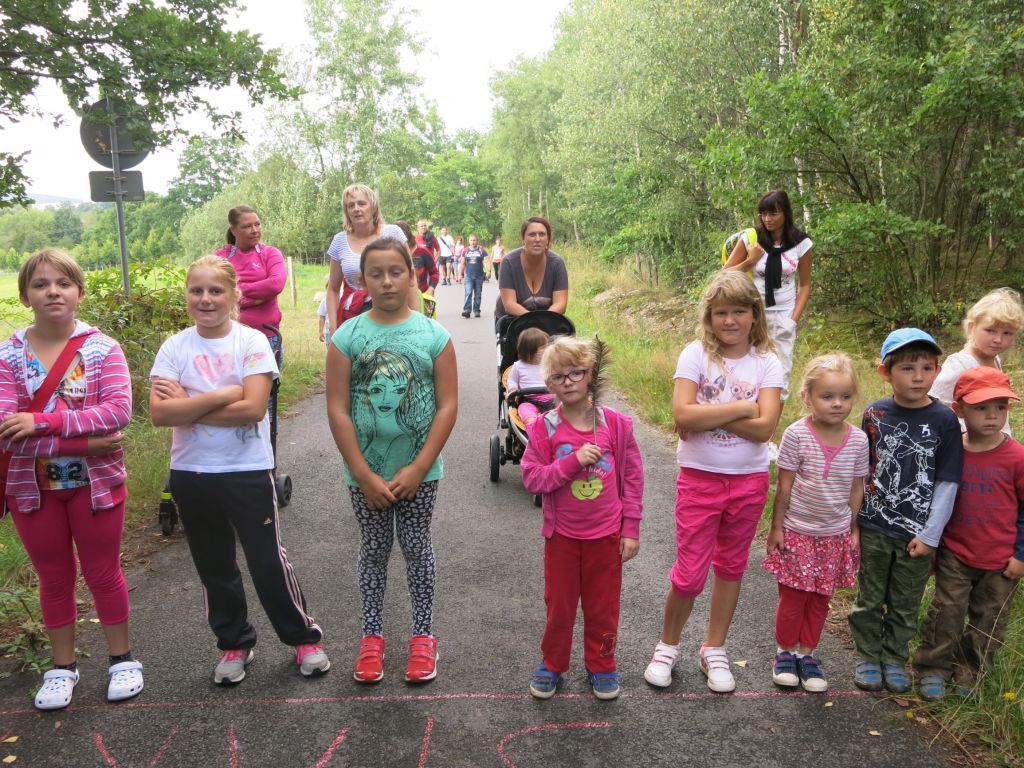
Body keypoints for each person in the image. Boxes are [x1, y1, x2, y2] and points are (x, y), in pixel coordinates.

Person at [150, 255, 329, 685]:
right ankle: (234, 642)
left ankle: (303, 637)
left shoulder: (251, 342)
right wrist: (223, 394)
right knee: (214, 566)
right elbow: (160, 414)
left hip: (247, 469)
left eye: (215, 291)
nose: (206, 299)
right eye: (197, 290)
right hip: (191, 472)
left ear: (234, 295)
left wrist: (189, 405)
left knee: (267, 562)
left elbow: (252, 409)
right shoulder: (174, 347)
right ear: (187, 295)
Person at [0, 248, 141, 710]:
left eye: (63, 283)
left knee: (103, 572)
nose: (53, 292)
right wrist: (83, 444)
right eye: (40, 284)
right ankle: (62, 668)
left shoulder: (103, 349)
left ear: (79, 292)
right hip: (32, 490)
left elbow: (117, 412)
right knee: (54, 577)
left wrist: (42, 423)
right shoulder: (7, 355)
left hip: (97, 486)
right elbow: (6, 430)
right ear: (25, 296)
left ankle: (122, 659)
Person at [325, 237, 458, 685]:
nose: (386, 281)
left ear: (412, 276)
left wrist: (419, 467)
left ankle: (423, 636)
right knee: (374, 550)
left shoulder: (434, 337)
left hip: (421, 473)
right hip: (364, 476)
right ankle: (371, 637)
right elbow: (338, 409)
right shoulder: (346, 338)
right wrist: (362, 473)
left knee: (417, 548)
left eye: (395, 272)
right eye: (376, 274)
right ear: (362, 280)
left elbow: (447, 406)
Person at [643, 271, 782, 693]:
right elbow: (682, 414)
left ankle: (714, 648)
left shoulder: (767, 362)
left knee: (731, 567)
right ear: (709, 317)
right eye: (721, 312)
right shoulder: (695, 355)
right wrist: (743, 407)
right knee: (689, 574)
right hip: (699, 479)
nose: (730, 320)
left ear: (754, 315)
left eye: (739, 311)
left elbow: (765, 429)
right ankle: (667, 646)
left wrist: (709, 414)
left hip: (748, 481)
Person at [521, 336, 643, 700]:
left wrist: (631, 528)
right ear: (549, 384)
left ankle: (602, 665)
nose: (569, 381)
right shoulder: (543, 428)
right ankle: (552, 663)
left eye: (576, 372)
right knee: (559, 608)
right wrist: (572, 462)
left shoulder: (615, 425)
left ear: (590, 374)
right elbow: (532, 479)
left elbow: (633, 478)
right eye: (559, 376)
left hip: (606, 536)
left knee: (603, 608)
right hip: (562, 537)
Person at [847, 329, 964, 693]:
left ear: (937, 371)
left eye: (927, 368)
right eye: (907, 368)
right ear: (886, 372)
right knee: (869, 599)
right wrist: (852, 523)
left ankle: (895, 658)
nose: (918, 377)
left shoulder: (945, 420)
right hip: (874, 525)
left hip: (917, 534)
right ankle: (868, 655)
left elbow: (947, 483)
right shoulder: (874, 414)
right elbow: (861, 472)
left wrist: (931, 535)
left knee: (905, 603)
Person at [913, 367, 1024, 701]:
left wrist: (1021, 554)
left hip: (1001, 561)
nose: (992, 416)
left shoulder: (1017, 457)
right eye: (981, 407)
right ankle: (933, 667)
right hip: (955, 553)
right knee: (947, 611)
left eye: (1000, 407)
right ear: (959, 409)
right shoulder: (952, 451)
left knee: (988, 620)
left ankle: (970, 671)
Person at [762, 353, 869, 693]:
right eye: (827, 396)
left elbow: (857, 488)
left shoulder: (859, 440)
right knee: (794, 597)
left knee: (820, 598)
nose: (837, 403)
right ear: (807, 396)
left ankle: (807, 654)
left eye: (845, 396)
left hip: (835, 535)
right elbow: (785, 486)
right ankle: (785, 652)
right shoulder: (796, 435)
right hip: (798, 532)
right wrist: (777, 527)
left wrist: (853, 529)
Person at [724, 190, 813, 399]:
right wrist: (750, 261)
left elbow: (805, 285)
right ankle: (750, 415)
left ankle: (770, 420)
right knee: (749, 372)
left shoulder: (801, 242)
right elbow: (724, 275)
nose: (767, 219)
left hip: (784, 316)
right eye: (763, 214)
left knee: (780, 377)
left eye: (773, 213)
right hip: (753, 315)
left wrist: (793, 320)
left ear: (786, 213)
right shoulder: (751, 239)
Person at [929, 287, 1023, 433]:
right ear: (971, 327)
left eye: (1007, 333)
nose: (998, 339)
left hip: (996, 439)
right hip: (971, 442)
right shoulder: (960, 364)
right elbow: (934, 403)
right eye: (990, 330)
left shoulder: (995, 360)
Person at [325, 184, 406, 337]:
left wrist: (415, 321)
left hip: (392, 314)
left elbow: (410, 281)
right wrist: (334, 327)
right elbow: (333, 289)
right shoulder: (339, 241)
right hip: (353, 317)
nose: (356, 209)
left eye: (362, 203)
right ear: (346, 211)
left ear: (373, 207)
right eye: (351, 205)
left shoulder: (394, 233)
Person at [214, 205, 287, 357]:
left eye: (257, 224)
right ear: (233, 230)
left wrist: (236, 291)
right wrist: (257, 298)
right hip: (229, 339)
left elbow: (276, 284)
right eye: (247, 226)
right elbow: (215, 291)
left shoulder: (271, 254)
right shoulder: (220, 257)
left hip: (267, 337)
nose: (255, 230)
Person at [495, 217, 569, 327]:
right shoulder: (508, 262)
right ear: (523, 238)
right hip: (512, 320)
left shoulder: (557, 263)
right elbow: (509, 305)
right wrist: (534, 321)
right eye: (532, 234)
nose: (537, 239)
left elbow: (560, 303)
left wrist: (543, 321)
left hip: (547, 320)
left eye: (542, 234)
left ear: (547, 239)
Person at [507, 328, 552, 426]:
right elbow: (512, 380)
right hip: (528, 400)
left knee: (564, 408)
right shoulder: (518, 366)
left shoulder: (551, 364)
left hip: (551, 398)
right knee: (524, 410)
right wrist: (514, 390)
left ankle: (548, 421)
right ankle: (534, 424)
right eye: (544, 347)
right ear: (529, 352)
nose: (548, 349)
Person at [459, 234, 489, 318]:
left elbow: (486, 262)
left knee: (478, 294)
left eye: (474, 240)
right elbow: (462, 263)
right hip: (468, 276)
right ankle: (467, 311)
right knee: (468, 293)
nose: (472, 242)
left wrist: (487, 272)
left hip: (479, 276)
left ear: (477, 241)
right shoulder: (465, 250)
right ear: (469, 241)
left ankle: (476, 310)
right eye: (471, 240)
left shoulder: (482, 250)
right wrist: (460, 274)